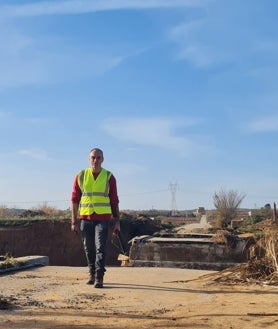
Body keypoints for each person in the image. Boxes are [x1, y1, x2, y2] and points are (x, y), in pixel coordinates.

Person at [71, 148, 120, 288]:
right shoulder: (81, 176)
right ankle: (91, 273)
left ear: (102, 159)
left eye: (98, 157)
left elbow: (114, 200)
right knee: (88, 248)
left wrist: (117, 221)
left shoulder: (109, 176)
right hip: (85, 218)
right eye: (93, 157)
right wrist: (73, 221)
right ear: (89, 159)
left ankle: (99, 276)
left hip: (103, 218)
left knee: (101, 248)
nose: (95, 160)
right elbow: (74, 200)